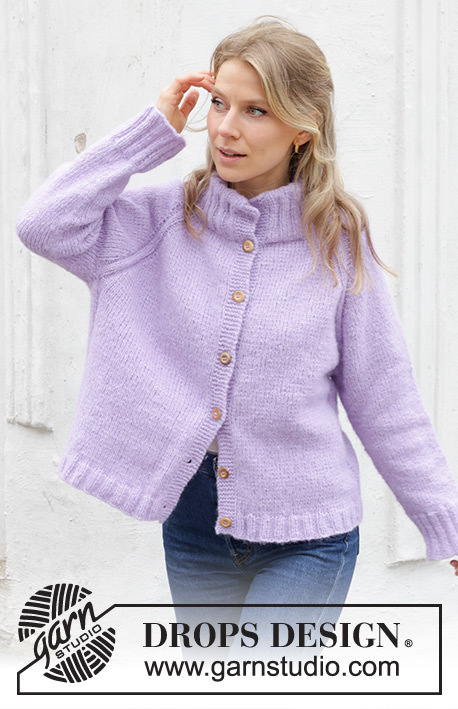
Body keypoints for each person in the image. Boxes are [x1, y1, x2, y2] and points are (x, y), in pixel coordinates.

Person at [15, 16, 458, 663]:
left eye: (256, 110)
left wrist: (444, 519)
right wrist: (152, 131)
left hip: (310, 533)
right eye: (219, 102)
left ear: (303, 127)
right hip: (193, 523)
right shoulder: (159, 222)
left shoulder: (337, 241)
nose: (225, 127)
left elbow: (385, 398)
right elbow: (44, 224)